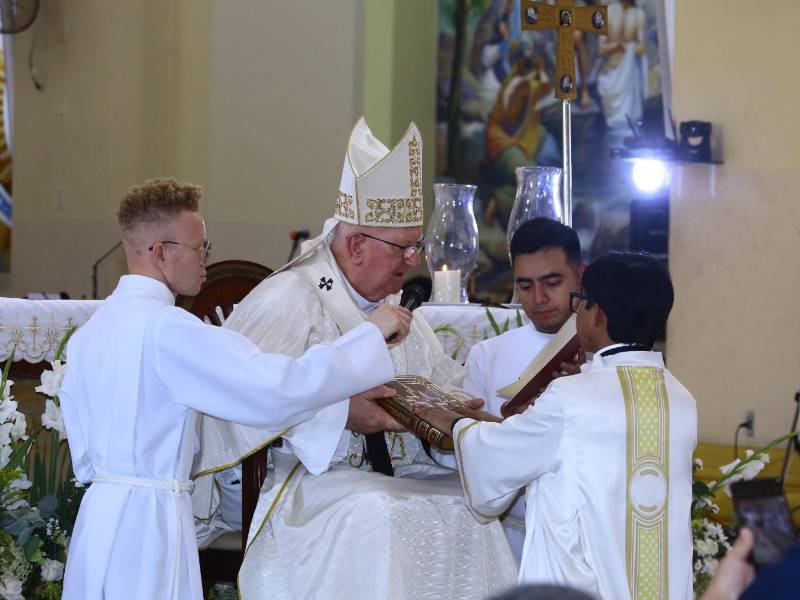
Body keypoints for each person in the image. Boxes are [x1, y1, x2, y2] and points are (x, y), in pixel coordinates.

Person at [193, 118, 517, 600]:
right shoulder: (287, 300)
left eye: (417, 246)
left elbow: (436, 386)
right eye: (404, 248)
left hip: (397, 479)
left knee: (472, 511)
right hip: (306, 486)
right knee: (378, 512)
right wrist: (343, 414)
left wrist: (446, 416)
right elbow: (235, 404)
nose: (415, 262)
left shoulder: (402, 313)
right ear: (355, 243)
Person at [58, 178, 410, 600]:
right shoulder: (169, 331)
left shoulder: (89, 334)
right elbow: (276, 387)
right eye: (199, 248)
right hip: (148, 526)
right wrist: (367, 336)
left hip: (96, 521)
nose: (206, 261)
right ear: (160, 253)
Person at [420, 252, 698, 599]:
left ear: (597, 313)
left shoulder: (572, 397)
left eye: (579, 302)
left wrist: (456, 421)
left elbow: (495, 459)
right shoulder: (681, 399)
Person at [462, 217, 584, 563]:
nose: (539, 298)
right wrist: (510, 427)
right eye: (525, 285)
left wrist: (584, 391)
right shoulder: (487, 356)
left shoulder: (603, 356)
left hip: (582, 539)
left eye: (552, 282)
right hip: (507, 539)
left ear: (580, 274)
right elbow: (464, 455)